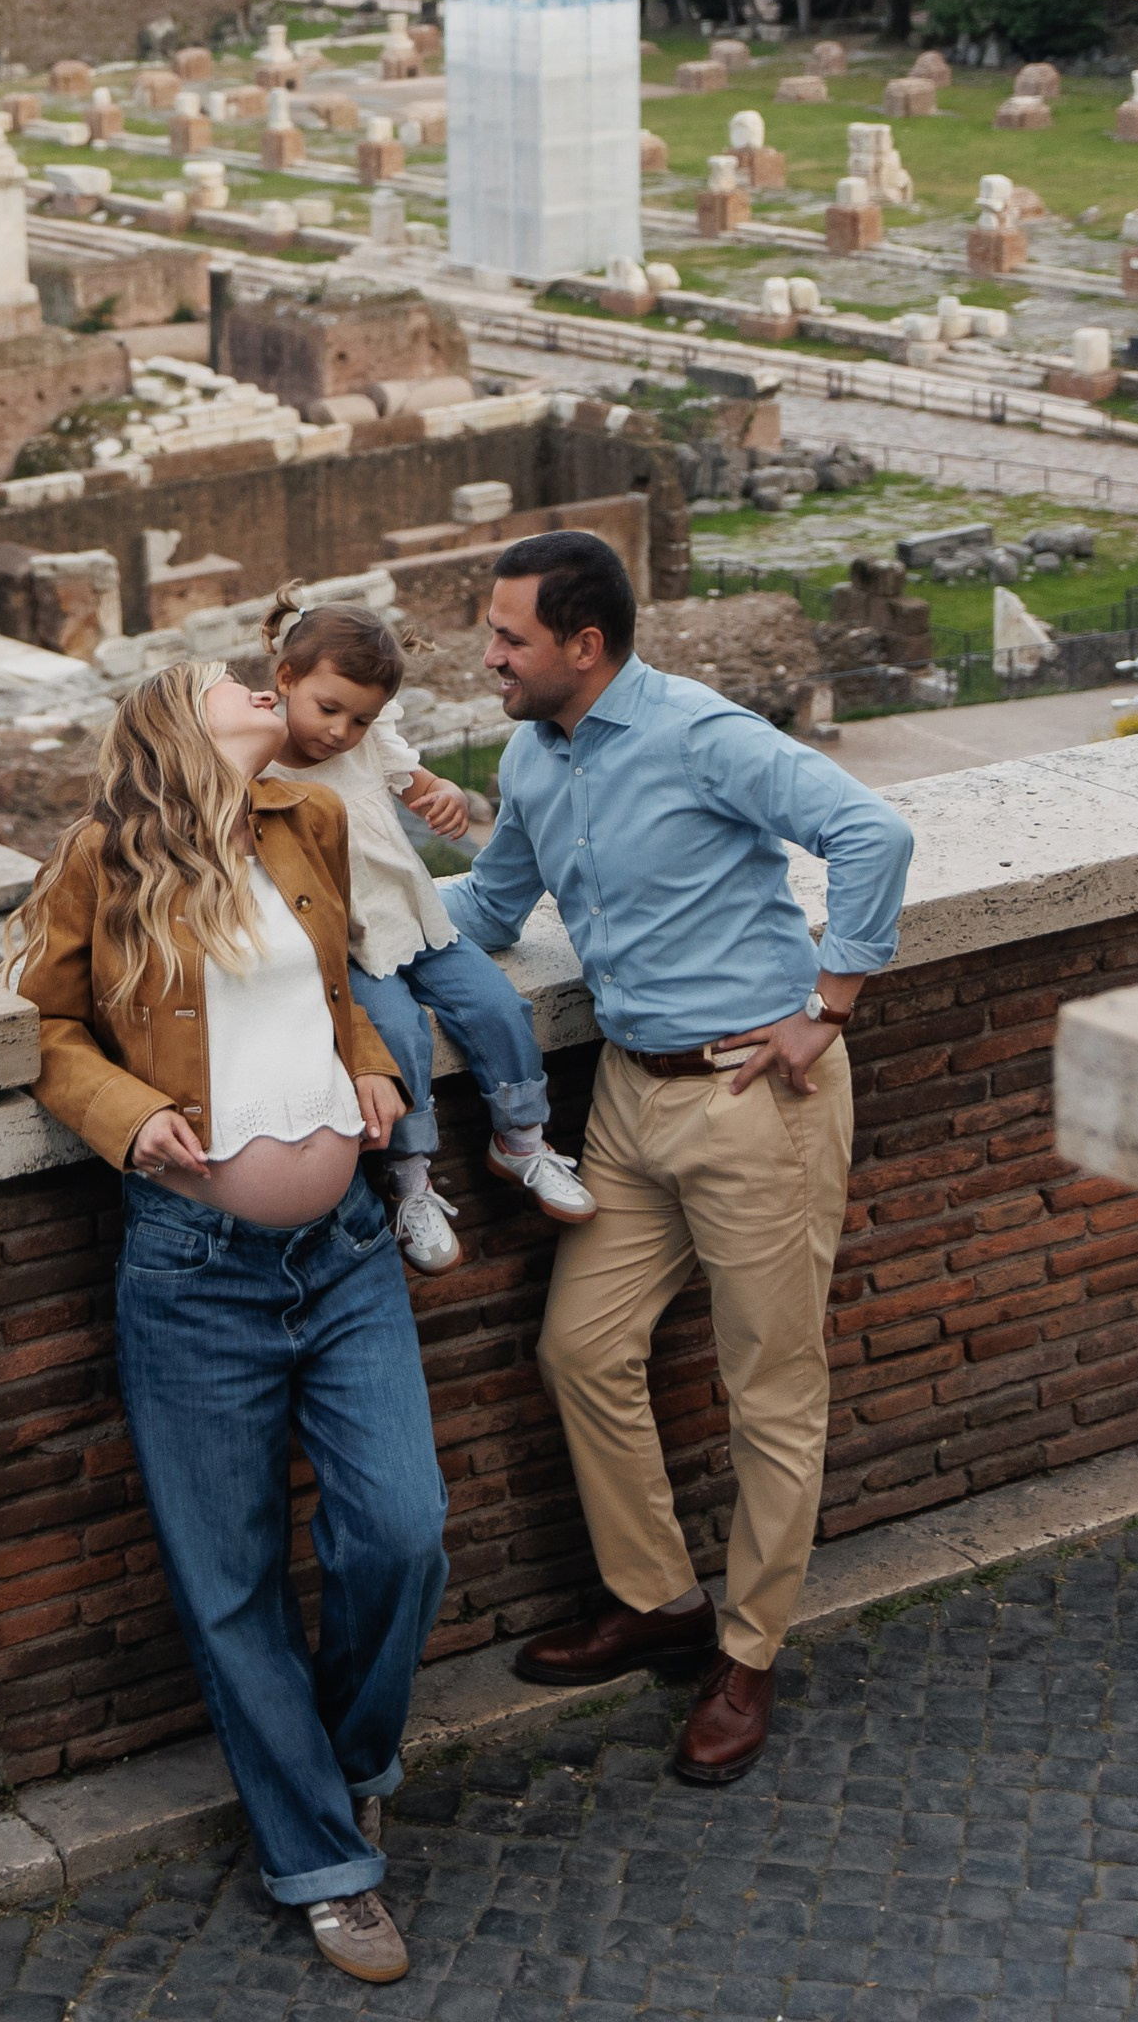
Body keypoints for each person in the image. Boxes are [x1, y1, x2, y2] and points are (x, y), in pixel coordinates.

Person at [441, 529, 912, 1788]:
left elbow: (873, 832)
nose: (489, 658)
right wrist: (321, 926)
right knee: (580, 1349)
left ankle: (748, 1656)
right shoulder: (532, 757)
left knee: (773, 1393)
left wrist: (830, 1006)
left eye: (510, 639)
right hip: (626, 1103)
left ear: (583, 645)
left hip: (758, 1100)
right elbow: (489, 910)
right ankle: (657, 1603)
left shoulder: (700, 734)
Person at [7, 659, 449, 1984]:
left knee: (403, 1529)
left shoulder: (308, 820)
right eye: (231, 682)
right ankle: (325, 1863)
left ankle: (344, 1766)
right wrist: (127, 1113)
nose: (265, 686)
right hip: (196, 1274)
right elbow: (44, 1024)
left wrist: (369, 1067)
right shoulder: (101, 861)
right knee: (232, 1581)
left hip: (348, 1251)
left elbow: (335, 989)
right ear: (171, 723)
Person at [261, 585, 596, 1271]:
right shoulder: (257, 764)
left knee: (498, 1005)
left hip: (415, 917)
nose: (341, 732)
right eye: (329, 709)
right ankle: (409, 1179)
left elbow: (420, 784)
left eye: (360, 719)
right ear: (286, 678)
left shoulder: (368, 744)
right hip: (348, 945)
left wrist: (442, 795)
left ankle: (521, 1137)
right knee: (400, 1034)